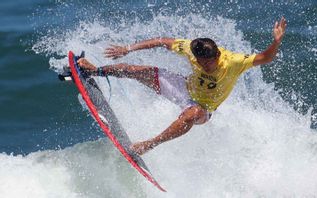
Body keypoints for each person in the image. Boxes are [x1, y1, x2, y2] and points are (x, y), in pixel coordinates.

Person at [77, 17, 287, 155]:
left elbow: (265, 57)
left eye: (210, 63)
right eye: (202, 63)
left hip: (204, 109)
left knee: (192, 114)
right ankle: (95, 71)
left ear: (217, 55)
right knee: (138, 71)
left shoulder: (233, 61)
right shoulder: (190, 48)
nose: (207, 67)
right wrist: (128, 48)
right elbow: (161, 41)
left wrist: (276, 41)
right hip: (183, 88)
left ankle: (149, 144)